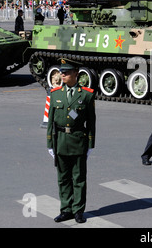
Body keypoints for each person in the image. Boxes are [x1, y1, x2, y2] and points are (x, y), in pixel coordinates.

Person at [47, 58, 96, 223]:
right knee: (63, 178)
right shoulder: (55, 94)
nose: (62, 74)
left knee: (79, 178)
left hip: (78, 141)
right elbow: (50, 122)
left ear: (76, 73)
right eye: (62, 72)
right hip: (60, 140)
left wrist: (90, 144)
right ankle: (65, 209)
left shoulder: (87, 95)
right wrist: (50, 144)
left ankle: (78, 211)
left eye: (66, 72)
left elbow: (91, 122)